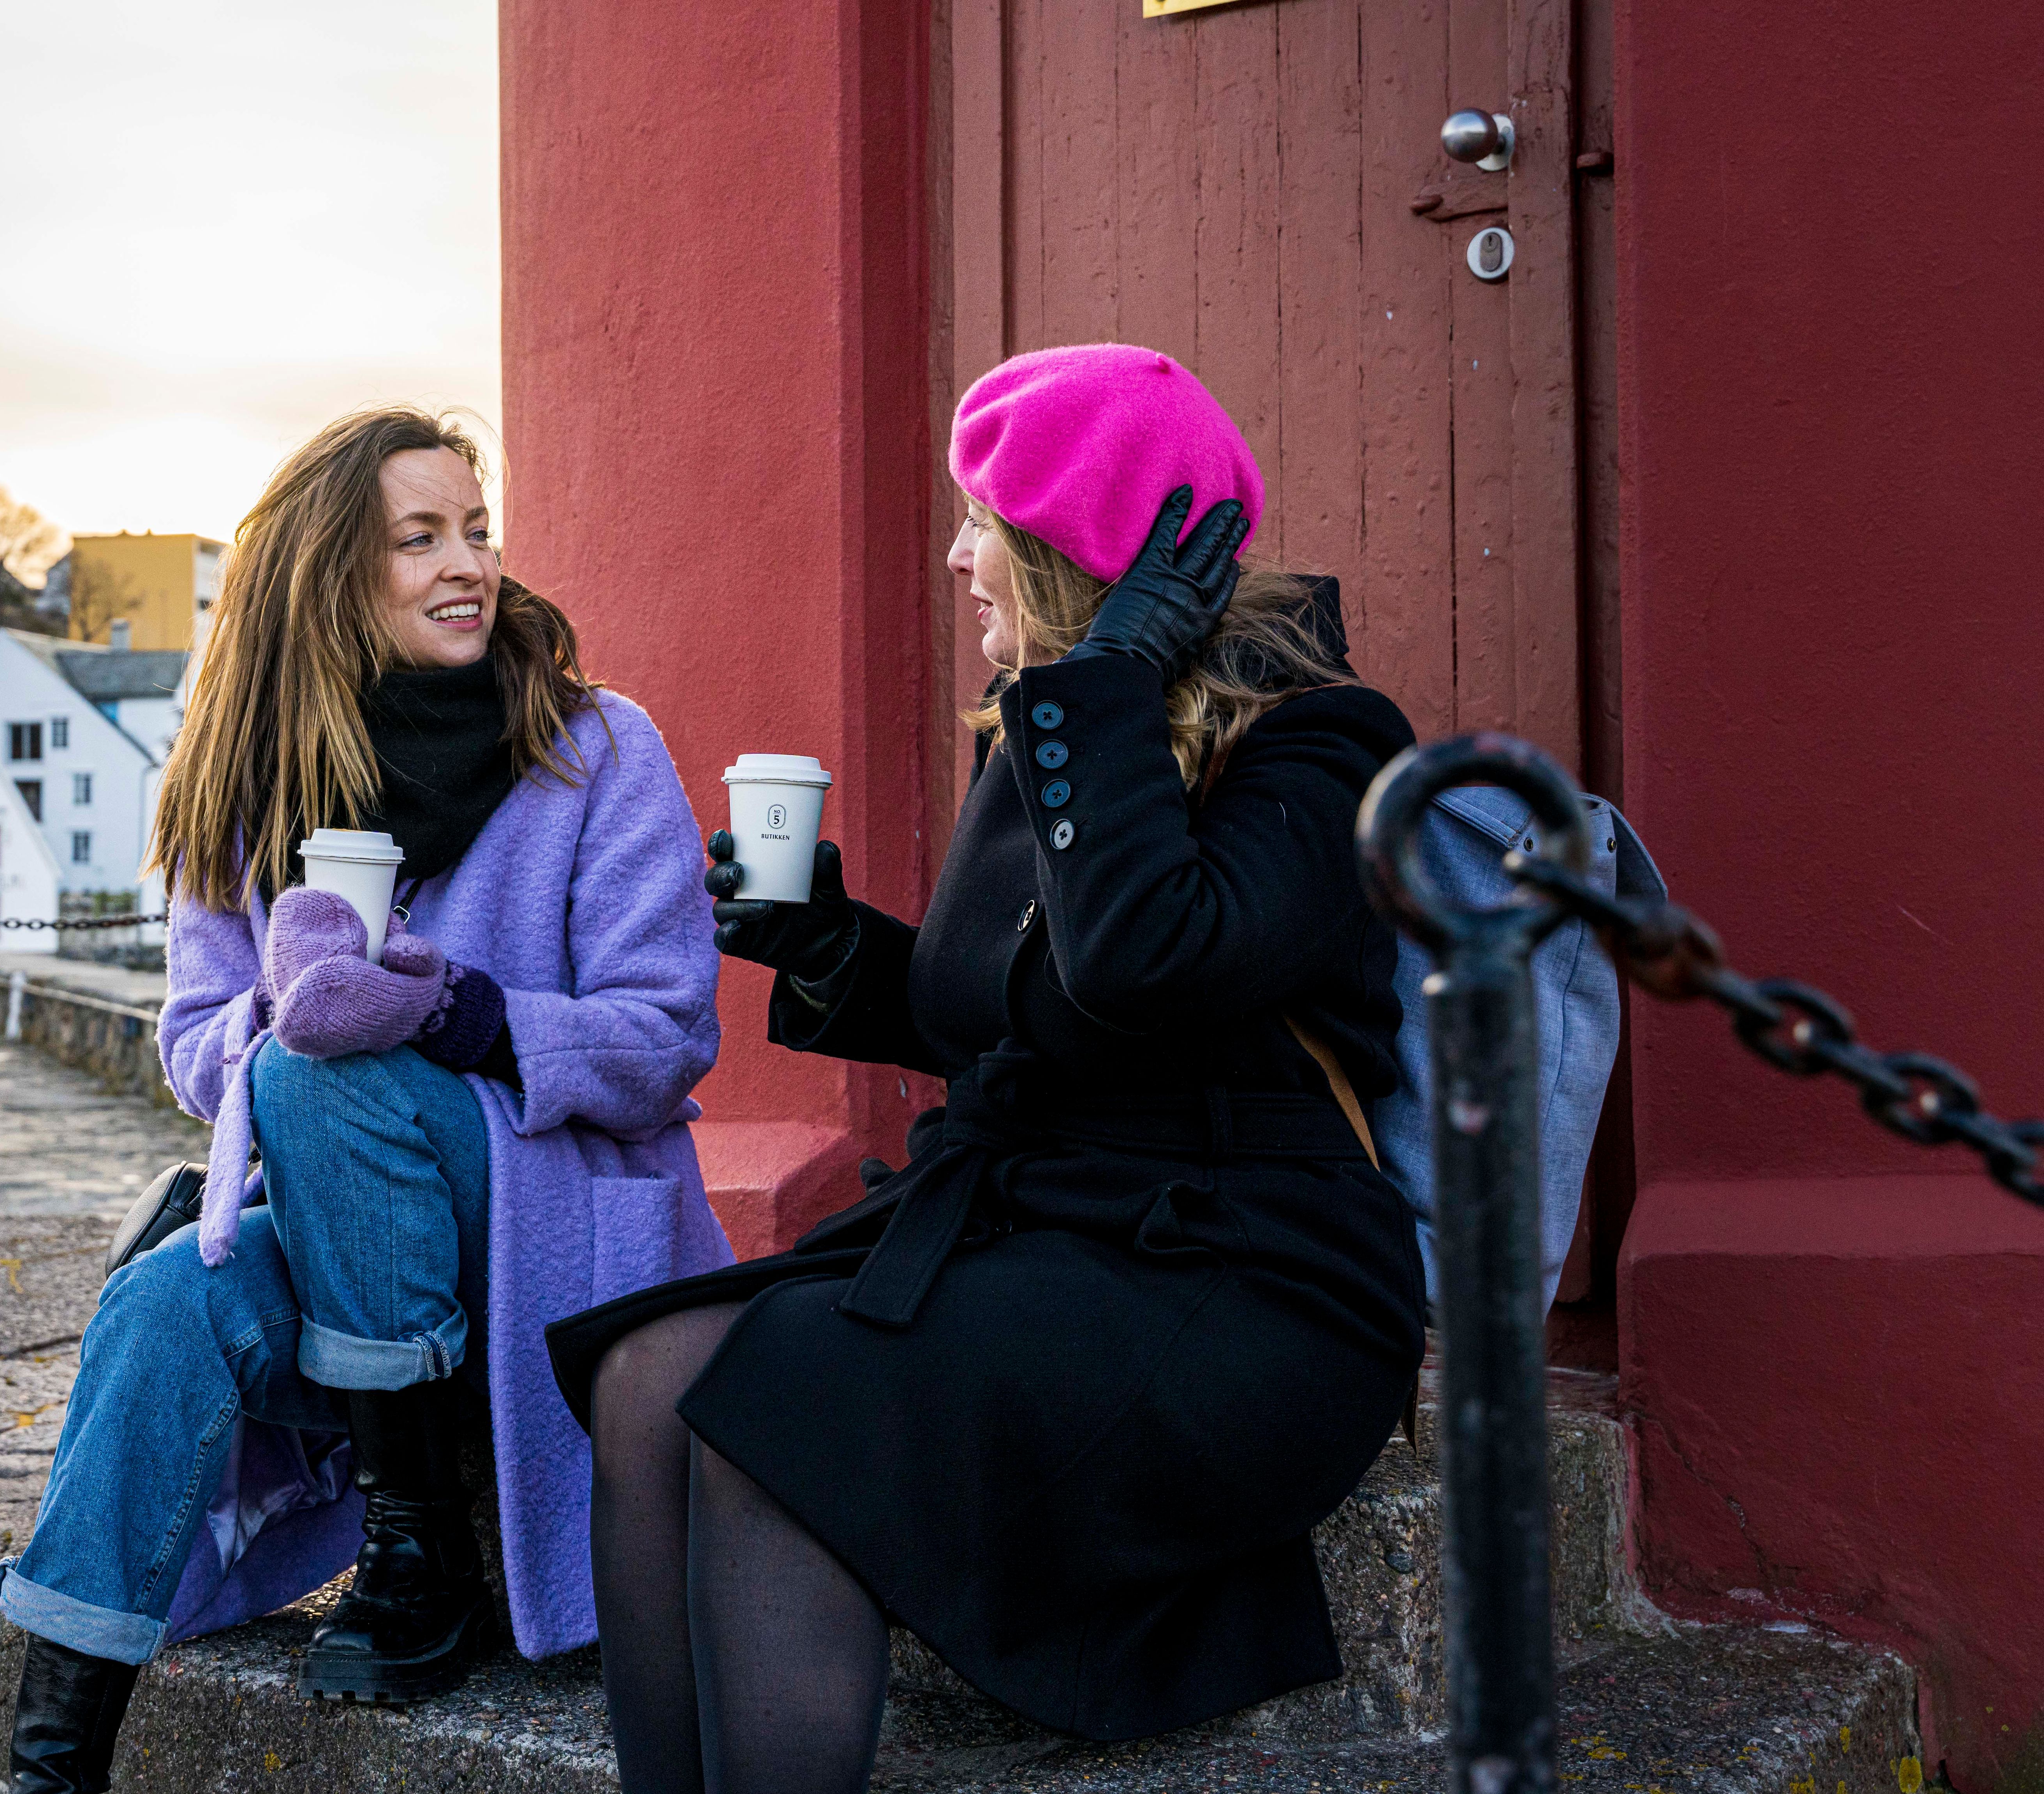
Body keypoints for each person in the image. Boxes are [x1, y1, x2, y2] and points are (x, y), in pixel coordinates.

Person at [547, 344, 1428, 1794]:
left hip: (1250, 1272)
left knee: (788, 1412)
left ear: (1077, 548)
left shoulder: (1323, 743)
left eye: (987, 527)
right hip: (1057, 1229)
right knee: (650, 1372)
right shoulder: (1054, 725)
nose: (959, 558)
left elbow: (1154, 962)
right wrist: (827, 943)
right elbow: (1020, 1014)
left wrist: (1108, 689)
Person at [0, 407, 732, 1794]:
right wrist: (293, 1001)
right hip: (346, 1241)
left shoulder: (595, 749)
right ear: (336, 574)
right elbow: (199, 1042)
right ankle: (51, 1755)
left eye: (477, 529)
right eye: (421, 537)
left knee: (330, 1074)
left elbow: (667, 1038)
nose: (470, 564)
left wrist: (460, 1015)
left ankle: (420, 1540)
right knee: (163, 1299)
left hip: (549, 1233)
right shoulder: (252, 784)